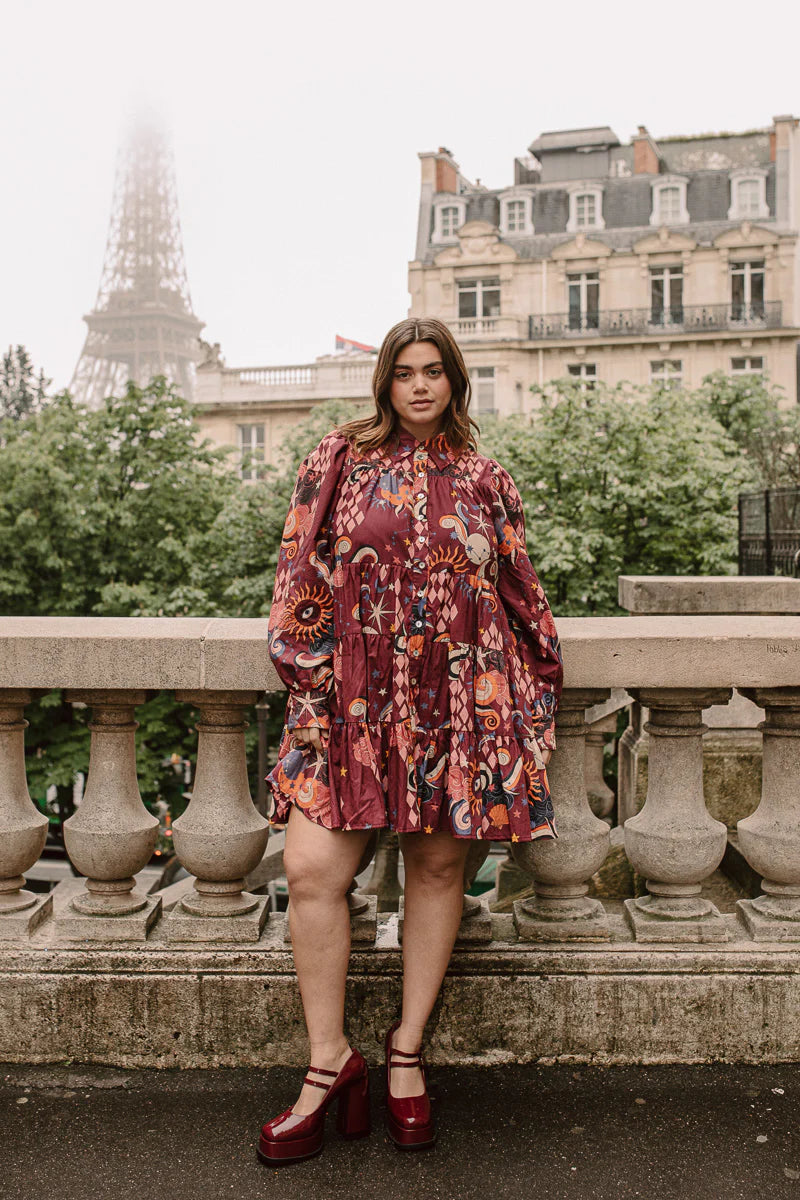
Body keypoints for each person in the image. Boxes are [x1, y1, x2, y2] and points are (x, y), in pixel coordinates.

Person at [258, 317, 563, 1166]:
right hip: (350, 701)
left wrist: (527, 704)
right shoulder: (339, 461)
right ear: (384, 383)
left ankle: (404, 1054)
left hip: (454, 700)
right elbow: (297, 572)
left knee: (435, 868)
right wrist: (313, 681)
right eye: (404, 372)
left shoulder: (486, 478)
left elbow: (519, 591)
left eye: (434, 372)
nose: (420, 386)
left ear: (455, 383)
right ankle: (328, 1064)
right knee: (312, 870)